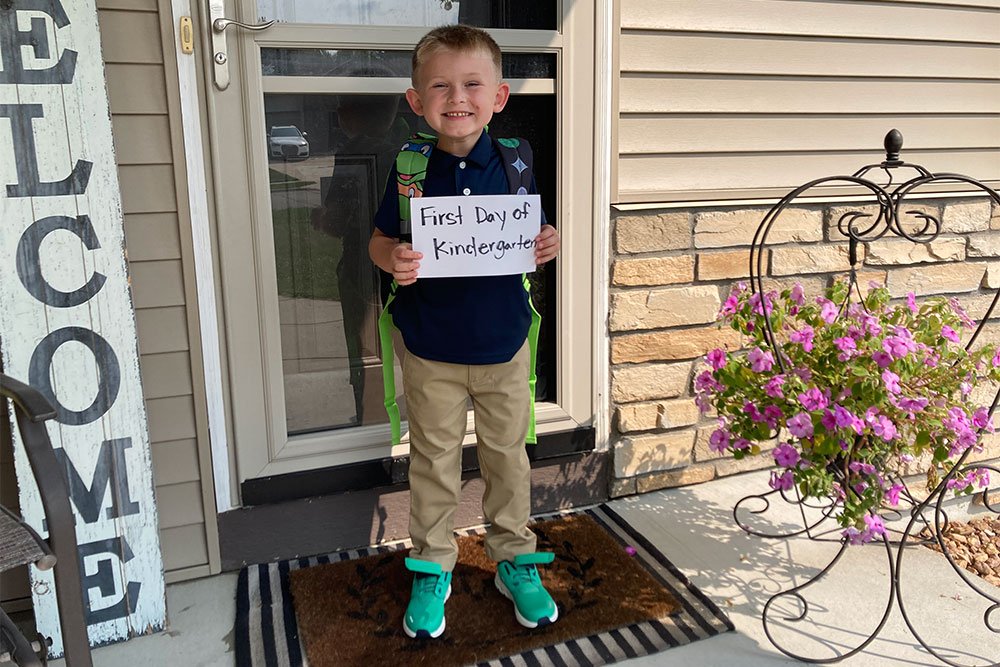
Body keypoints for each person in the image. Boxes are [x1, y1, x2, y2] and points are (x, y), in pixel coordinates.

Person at [368, 24, 560, 639]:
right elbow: (378, 239)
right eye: (441, 86)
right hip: (430, 348)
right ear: (416, 100)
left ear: (498, 97)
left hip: (504, 344)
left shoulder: (515, 163)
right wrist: (390, 257)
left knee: (508, 458)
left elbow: (533, 234)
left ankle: (513, 558)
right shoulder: (411, 169)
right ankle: (433, 563)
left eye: (472, 84)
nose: (458, 97)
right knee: (434, 461)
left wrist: (546, 244)